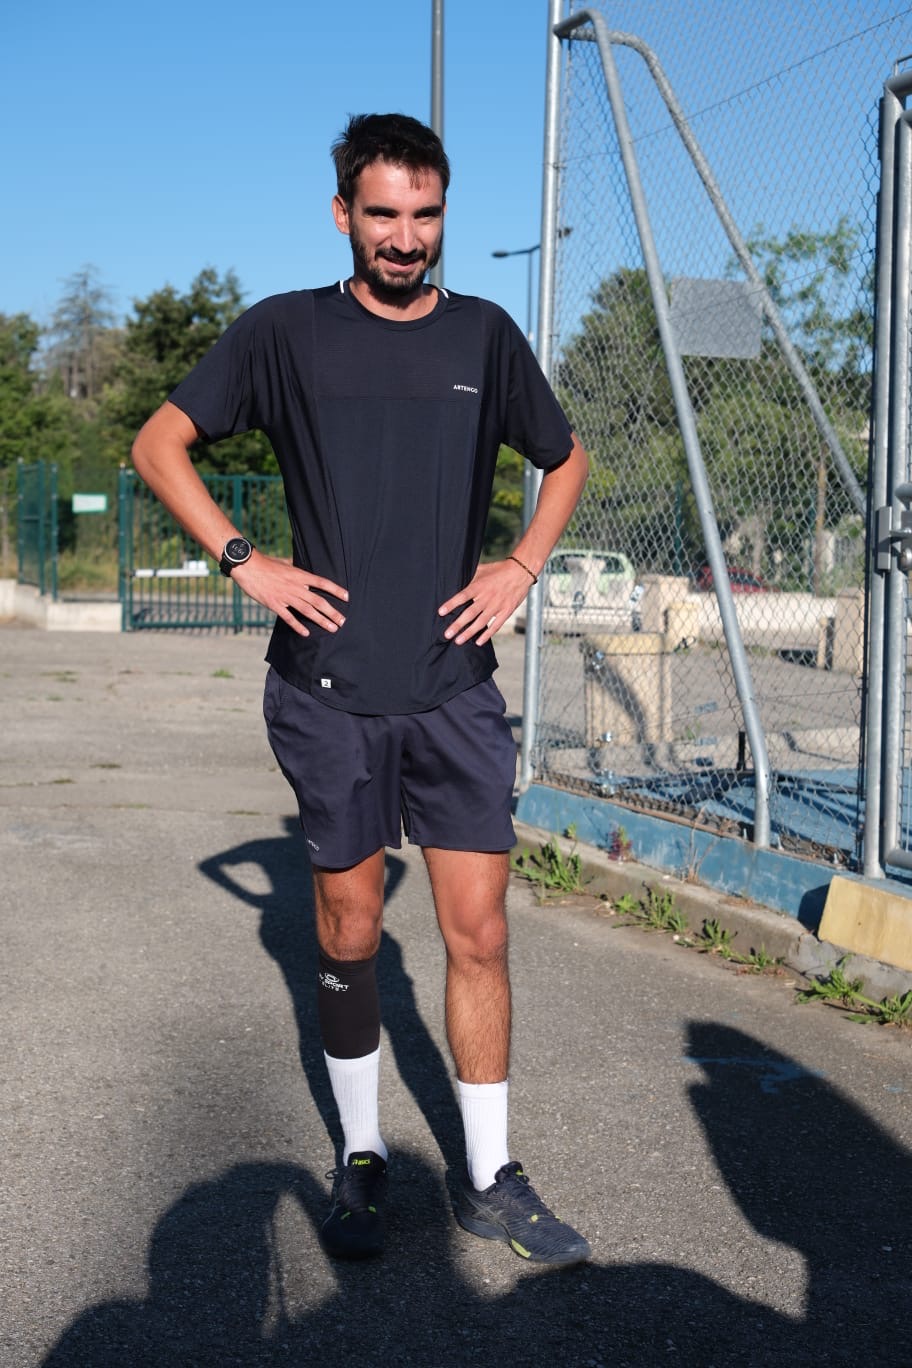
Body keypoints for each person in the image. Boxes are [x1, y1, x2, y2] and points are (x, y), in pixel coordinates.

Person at [132, 113, 590, 1265]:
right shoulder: (284, 332)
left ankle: (489, 1177)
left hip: (453, 688)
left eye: (424, 215)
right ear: (343, 213)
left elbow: (565, 456)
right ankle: (365, 1155)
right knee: (347, 931)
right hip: (326, 691)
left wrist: (521, 565)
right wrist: (247, 561)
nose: (405, 237)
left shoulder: (484, 336)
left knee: (478, 933)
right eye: (382, 214)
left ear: (443, 216)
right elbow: (158, 445)